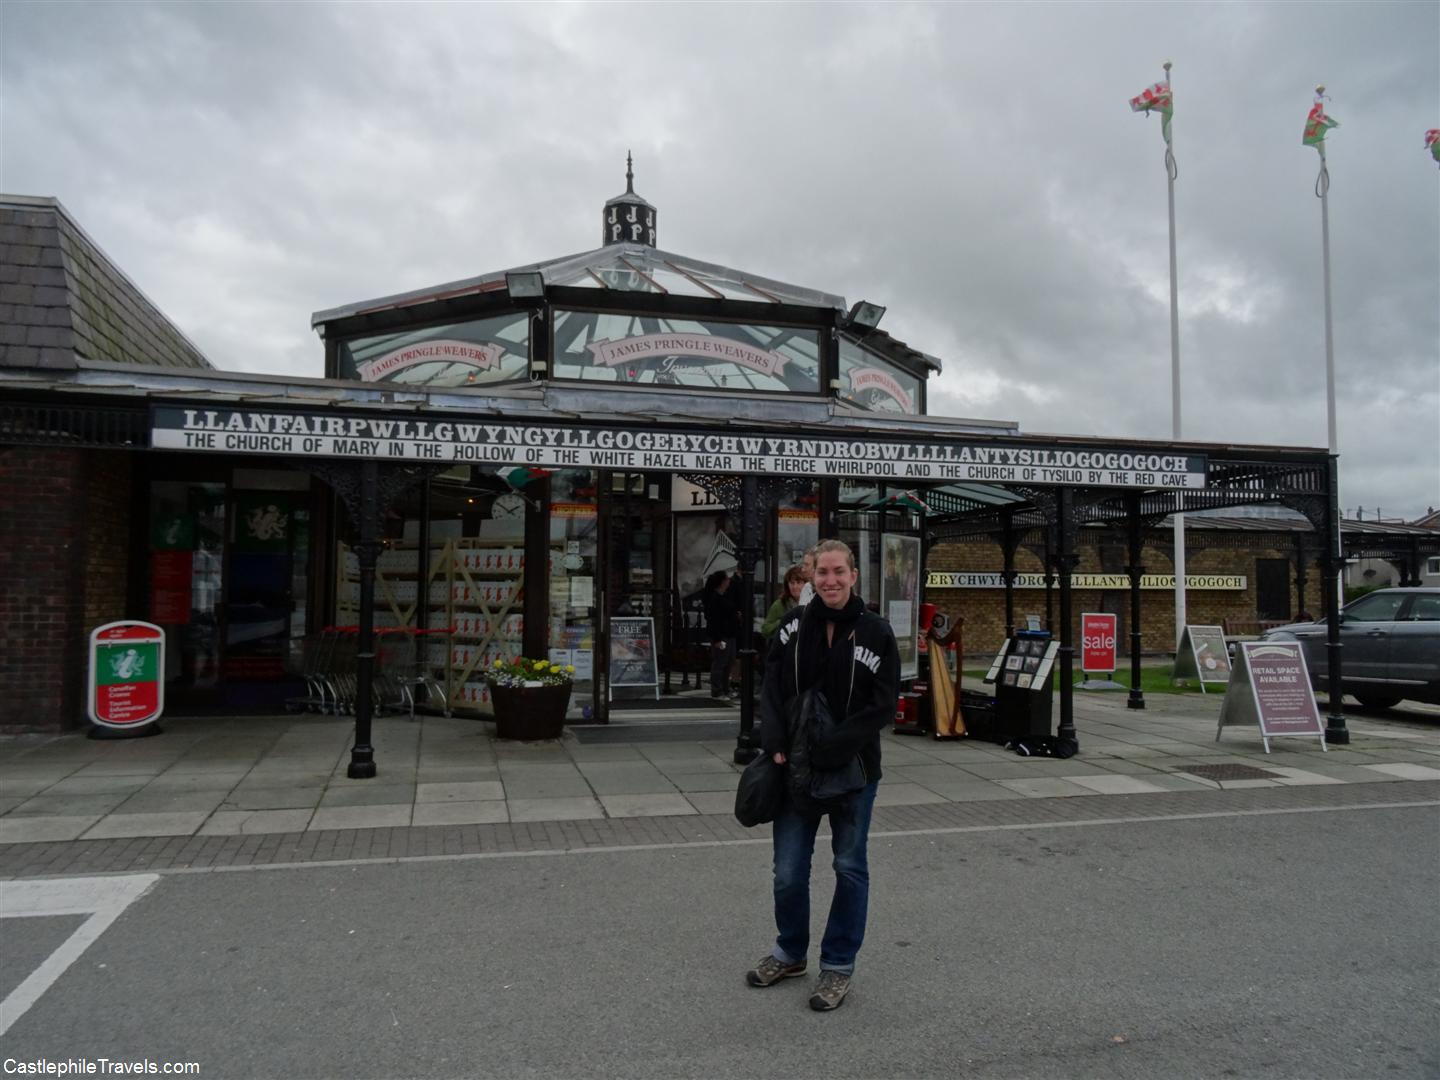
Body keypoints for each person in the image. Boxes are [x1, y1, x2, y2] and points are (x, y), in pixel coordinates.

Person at [747, 539, 900, 1012]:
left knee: (849, 869)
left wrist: (834, 747)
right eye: (822, 573)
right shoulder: (793, 626)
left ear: (854, 575)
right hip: (794, 769)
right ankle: (791, 952)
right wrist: (772, 742)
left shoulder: (876, 631)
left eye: (838, 572)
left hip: (853, 772)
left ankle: (837, 966)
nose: (830, 581)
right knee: (788, 872)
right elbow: (771, 686)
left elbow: (883, 704)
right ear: (811, 578)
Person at [701, 570, 738, 702]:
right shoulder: (715, 599)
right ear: (722, 582)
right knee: (720, 662)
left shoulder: (723, 596)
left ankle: (725, 688)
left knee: (729, 661)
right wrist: (716, 639)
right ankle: (717, 690)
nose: (729, 581)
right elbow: (713, 620)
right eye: (727, 579)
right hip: (721, 635)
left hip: (729, 633)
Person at [760, 565, 807, 641]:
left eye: (798, 582)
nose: (795, 587)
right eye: (792, 583)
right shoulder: (779, 604)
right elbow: (765, 630)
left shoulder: (812, 603)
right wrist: (782, 622)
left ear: (806, 584)